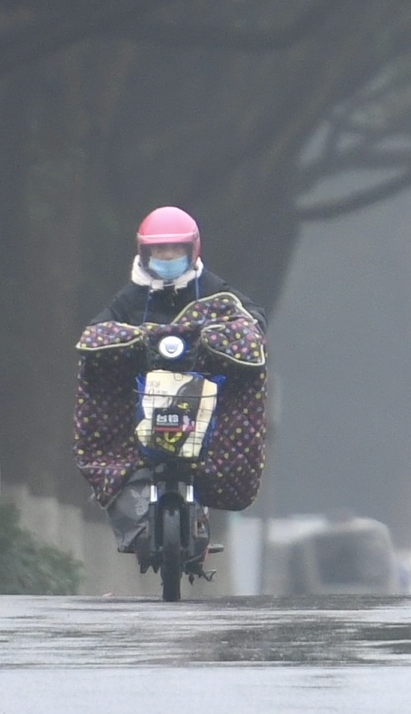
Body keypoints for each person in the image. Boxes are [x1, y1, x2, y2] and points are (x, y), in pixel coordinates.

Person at [72, 206, 268, 516]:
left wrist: (242, 330)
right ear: (145, 251)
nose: (167, 256)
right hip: (142, 395)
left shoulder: (214, 290)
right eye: (159, 249)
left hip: (202, 393)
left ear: (192, 250)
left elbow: (250, 315)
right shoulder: (130, 297)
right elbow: (100, 328)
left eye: (175, 248)